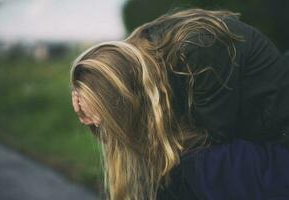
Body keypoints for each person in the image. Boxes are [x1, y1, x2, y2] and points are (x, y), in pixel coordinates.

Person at [70, 8, 289, 200]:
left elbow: (213, 140)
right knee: (170, 167)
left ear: (122, 98)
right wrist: (91, 107)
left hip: (278, 148)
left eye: (111, 116)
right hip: (254, 145)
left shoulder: (196, 50)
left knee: (182, 168)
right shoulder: (148, 58)